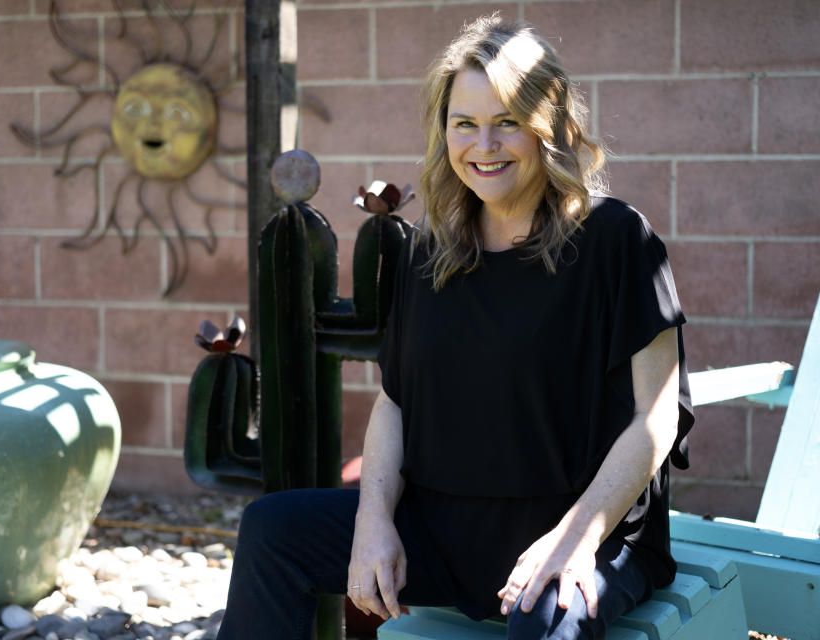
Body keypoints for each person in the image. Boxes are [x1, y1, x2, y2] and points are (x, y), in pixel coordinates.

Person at [216, 13, 693, 640]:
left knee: (548, 620)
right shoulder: (430, 248)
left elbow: (654, 419)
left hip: (584, 528)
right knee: (274, 531)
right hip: (443, 529)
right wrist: (373, 520)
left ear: (550, 129)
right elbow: (395, 402)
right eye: (464, 124)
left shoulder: (615, 240)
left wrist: (575, 538)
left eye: (507, 124)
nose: (483, 146)